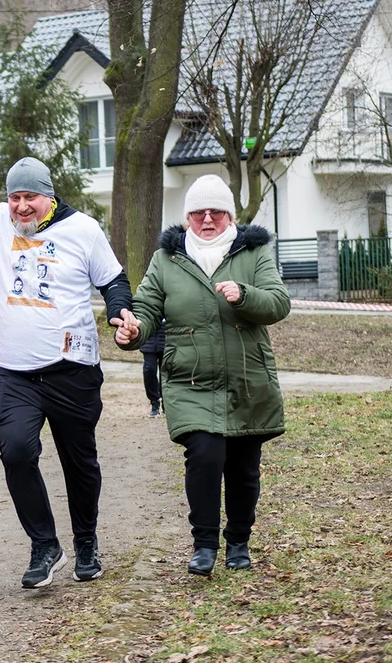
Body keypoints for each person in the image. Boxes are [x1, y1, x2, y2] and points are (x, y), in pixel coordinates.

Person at [0, 133, 135, 589]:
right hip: (15, 373)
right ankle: (44, 545)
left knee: (80, 462)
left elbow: (114, 280)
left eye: (30, 197)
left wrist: (120, 313)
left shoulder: (83, 230)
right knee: (16, 451)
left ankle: (86, 540)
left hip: (73, 370)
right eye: (14, 197)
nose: (21, 207)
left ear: (48, 196)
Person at [119, 174, 290, 577]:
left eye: (216, 211)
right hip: (189, 379)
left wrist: (245, 295)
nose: (207, 219)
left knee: (244, 466)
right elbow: (145, 308)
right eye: (198, 212)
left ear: (230, 215)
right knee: (205, 456)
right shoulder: (167, 259)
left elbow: (279, 302)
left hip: (247, 379)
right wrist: (133, 330)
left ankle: (239, 542)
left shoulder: (254, 250)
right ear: (187, 218)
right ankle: (205, 545)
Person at [141, 321, 166, 417]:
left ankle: (166, 403)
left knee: (165, 373)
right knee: (149, 370)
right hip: (149, 339)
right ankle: (154, 402)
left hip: (166, 338)